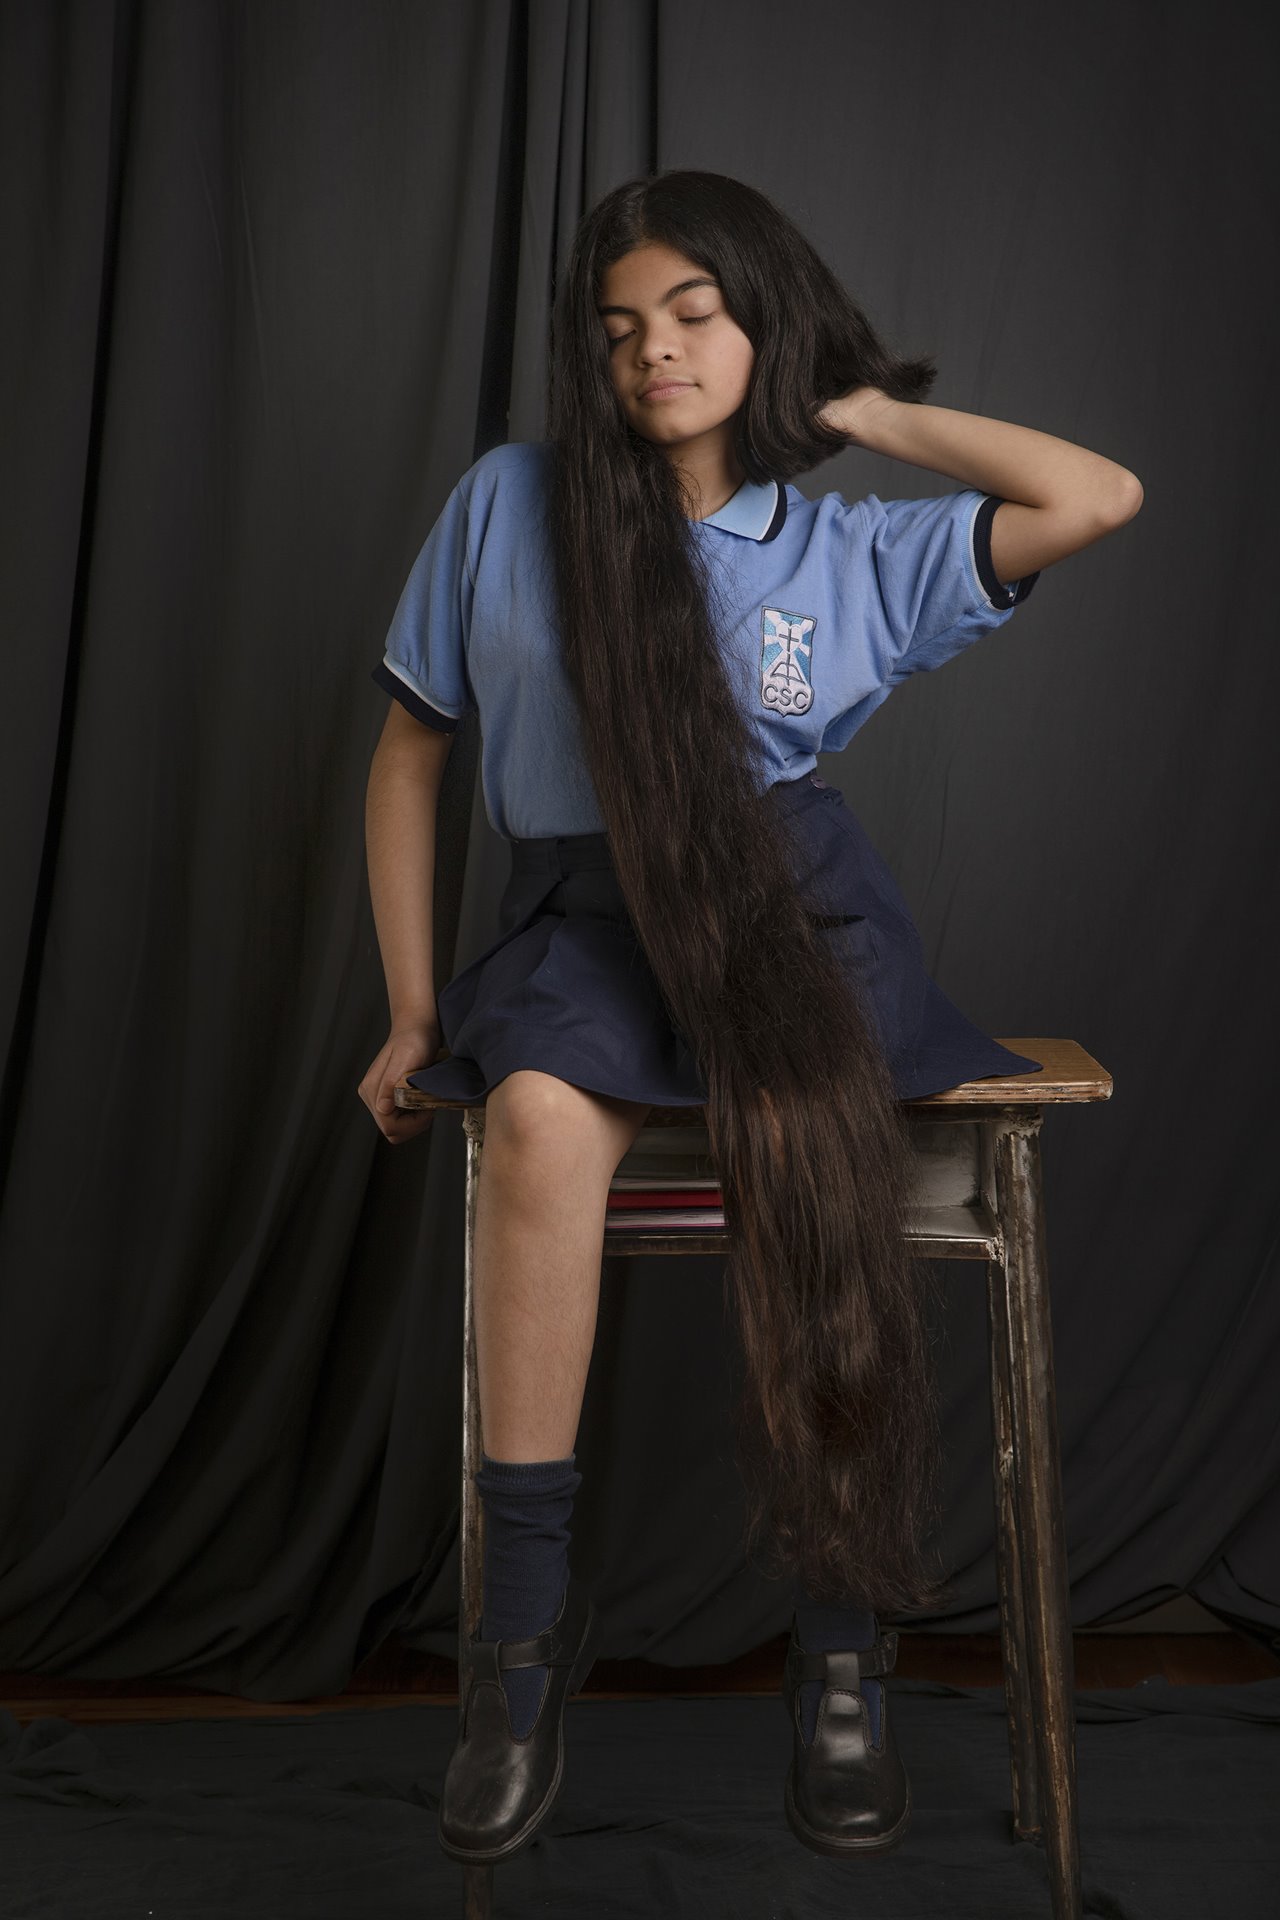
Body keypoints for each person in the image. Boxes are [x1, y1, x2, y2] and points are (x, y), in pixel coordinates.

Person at [359, 170, 1142, 1868]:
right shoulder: (512, 502)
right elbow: (411, 750)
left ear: (764, 320)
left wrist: (856, 405)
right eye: (624, 327)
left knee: (811, 1126)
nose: (656, 353)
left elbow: (1098, 494)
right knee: (547, 1115)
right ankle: (521, 1643)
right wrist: (416, 1010)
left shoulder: (850, 548)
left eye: (700, 315)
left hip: (792, 915)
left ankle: (844, 1635)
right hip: (583, 915)